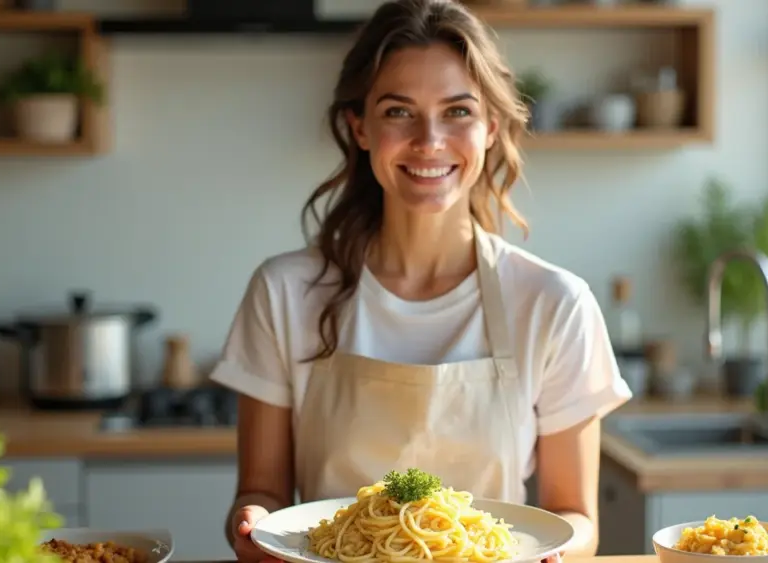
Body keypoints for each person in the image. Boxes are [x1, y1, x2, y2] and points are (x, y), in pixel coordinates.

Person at [208, 0, 634, 561]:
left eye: (458, 111)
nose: (430, 140)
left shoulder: (554, 304)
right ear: (359, 126)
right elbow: (261, 493)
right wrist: (252, 525)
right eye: (398, 112)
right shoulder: (284, 293)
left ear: (491, 128)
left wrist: (550, 556)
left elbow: (575, 518)